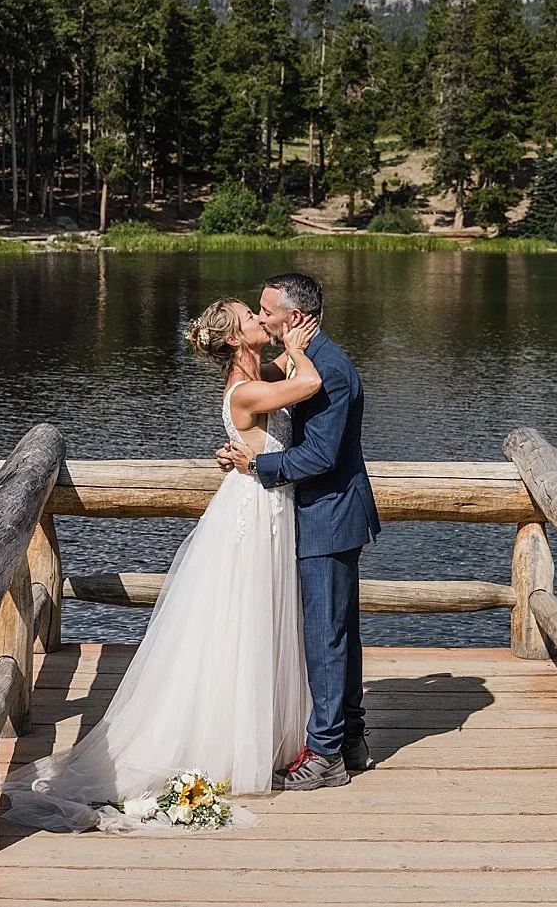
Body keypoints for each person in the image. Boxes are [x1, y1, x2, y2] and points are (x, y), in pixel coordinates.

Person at [1, 299, 319, 832]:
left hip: (263, 507)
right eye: (251, 317)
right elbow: (306, 384)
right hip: (252, 514)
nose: (261, 321)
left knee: (259, 621)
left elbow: (286, 377)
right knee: (242, 621)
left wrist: (288, 348)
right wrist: (296, 347)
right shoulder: (245, 391)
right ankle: (231, 743)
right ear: (237, 339)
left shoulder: (256, 375)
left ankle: (262, 735)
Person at [219, 272, 380, 790]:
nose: (262, 318)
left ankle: (327, 756)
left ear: (295, 317)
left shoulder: (329, 370)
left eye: (268, 312)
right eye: (257, 313)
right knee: (337, 633)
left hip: (328, 516)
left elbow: (319, 455)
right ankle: (350, 739)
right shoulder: (309, 357)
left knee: (326, 637)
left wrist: (255, 467)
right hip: (320, 513)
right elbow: (256, 385)